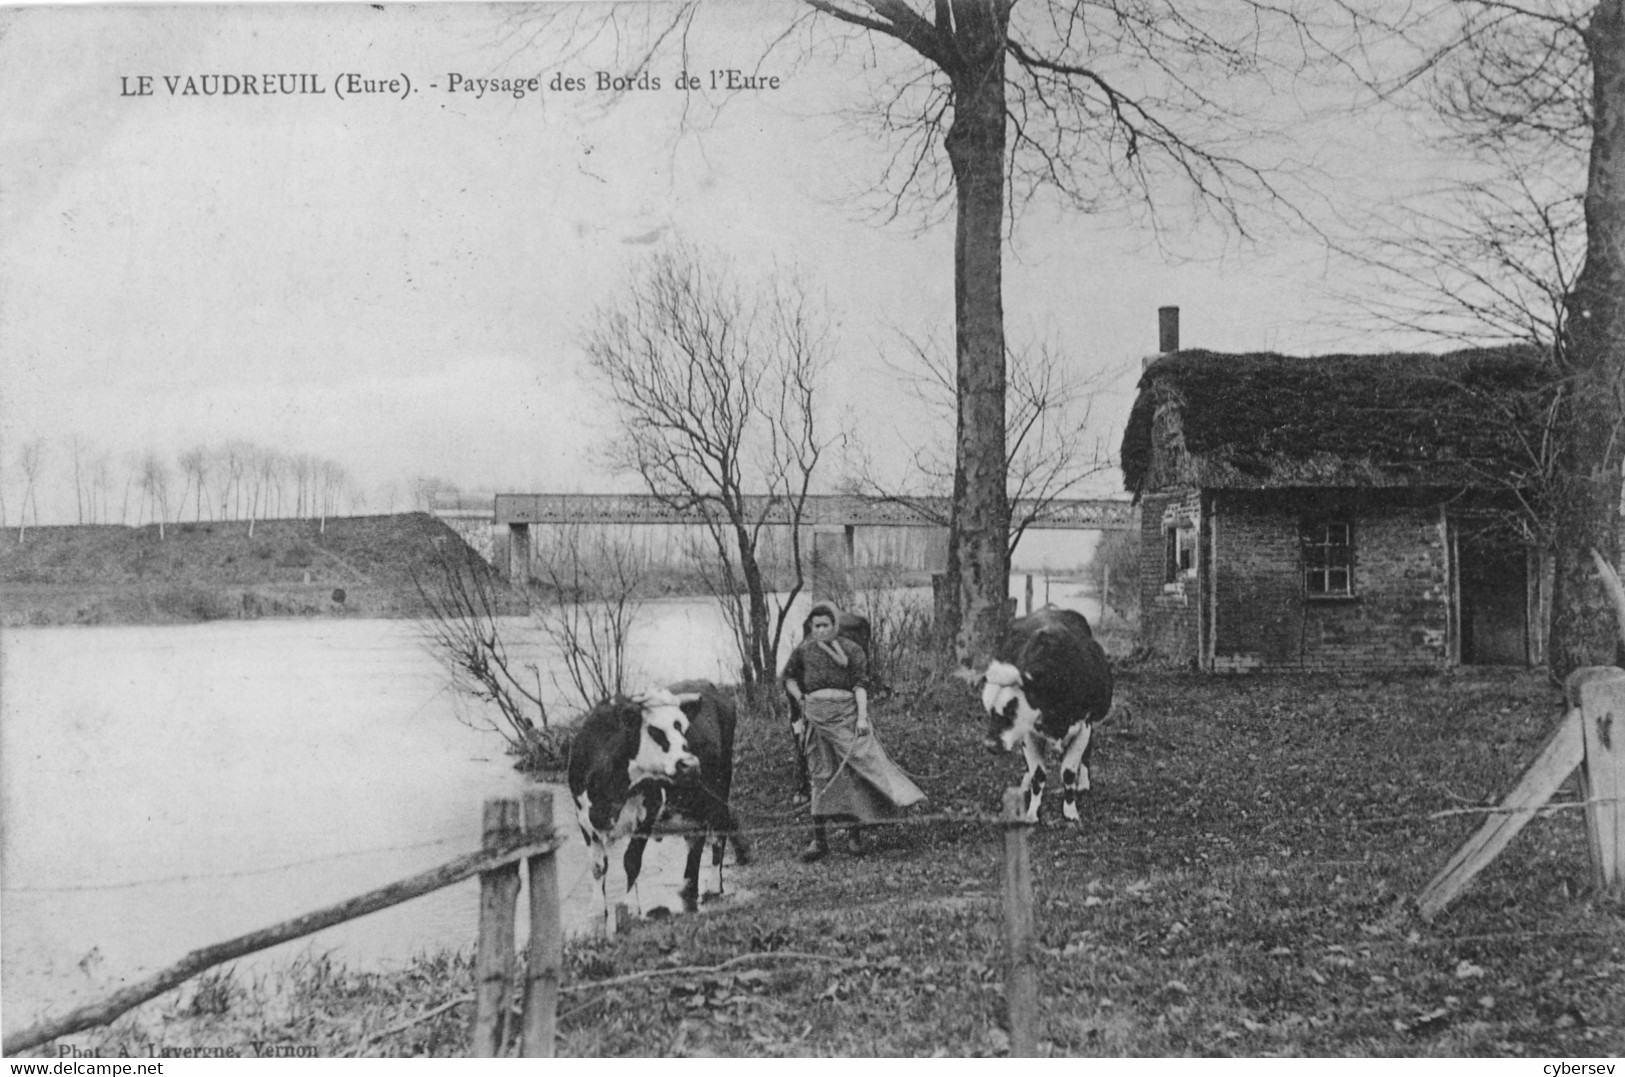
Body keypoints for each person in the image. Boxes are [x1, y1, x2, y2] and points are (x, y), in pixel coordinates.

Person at [781, 602, 926, 862]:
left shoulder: (852, 650)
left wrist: (861, 718)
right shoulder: (803, 651)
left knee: (853, 773)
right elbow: (789, 677)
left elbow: (860, 685)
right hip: (816, 719)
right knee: (820, 775)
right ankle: (819, 840)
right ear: (811, 628)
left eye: (826, 625)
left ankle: (854, 837)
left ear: (834, 626)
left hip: (847, 718)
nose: (822, 630)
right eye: (817, 626)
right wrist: (801, 698)